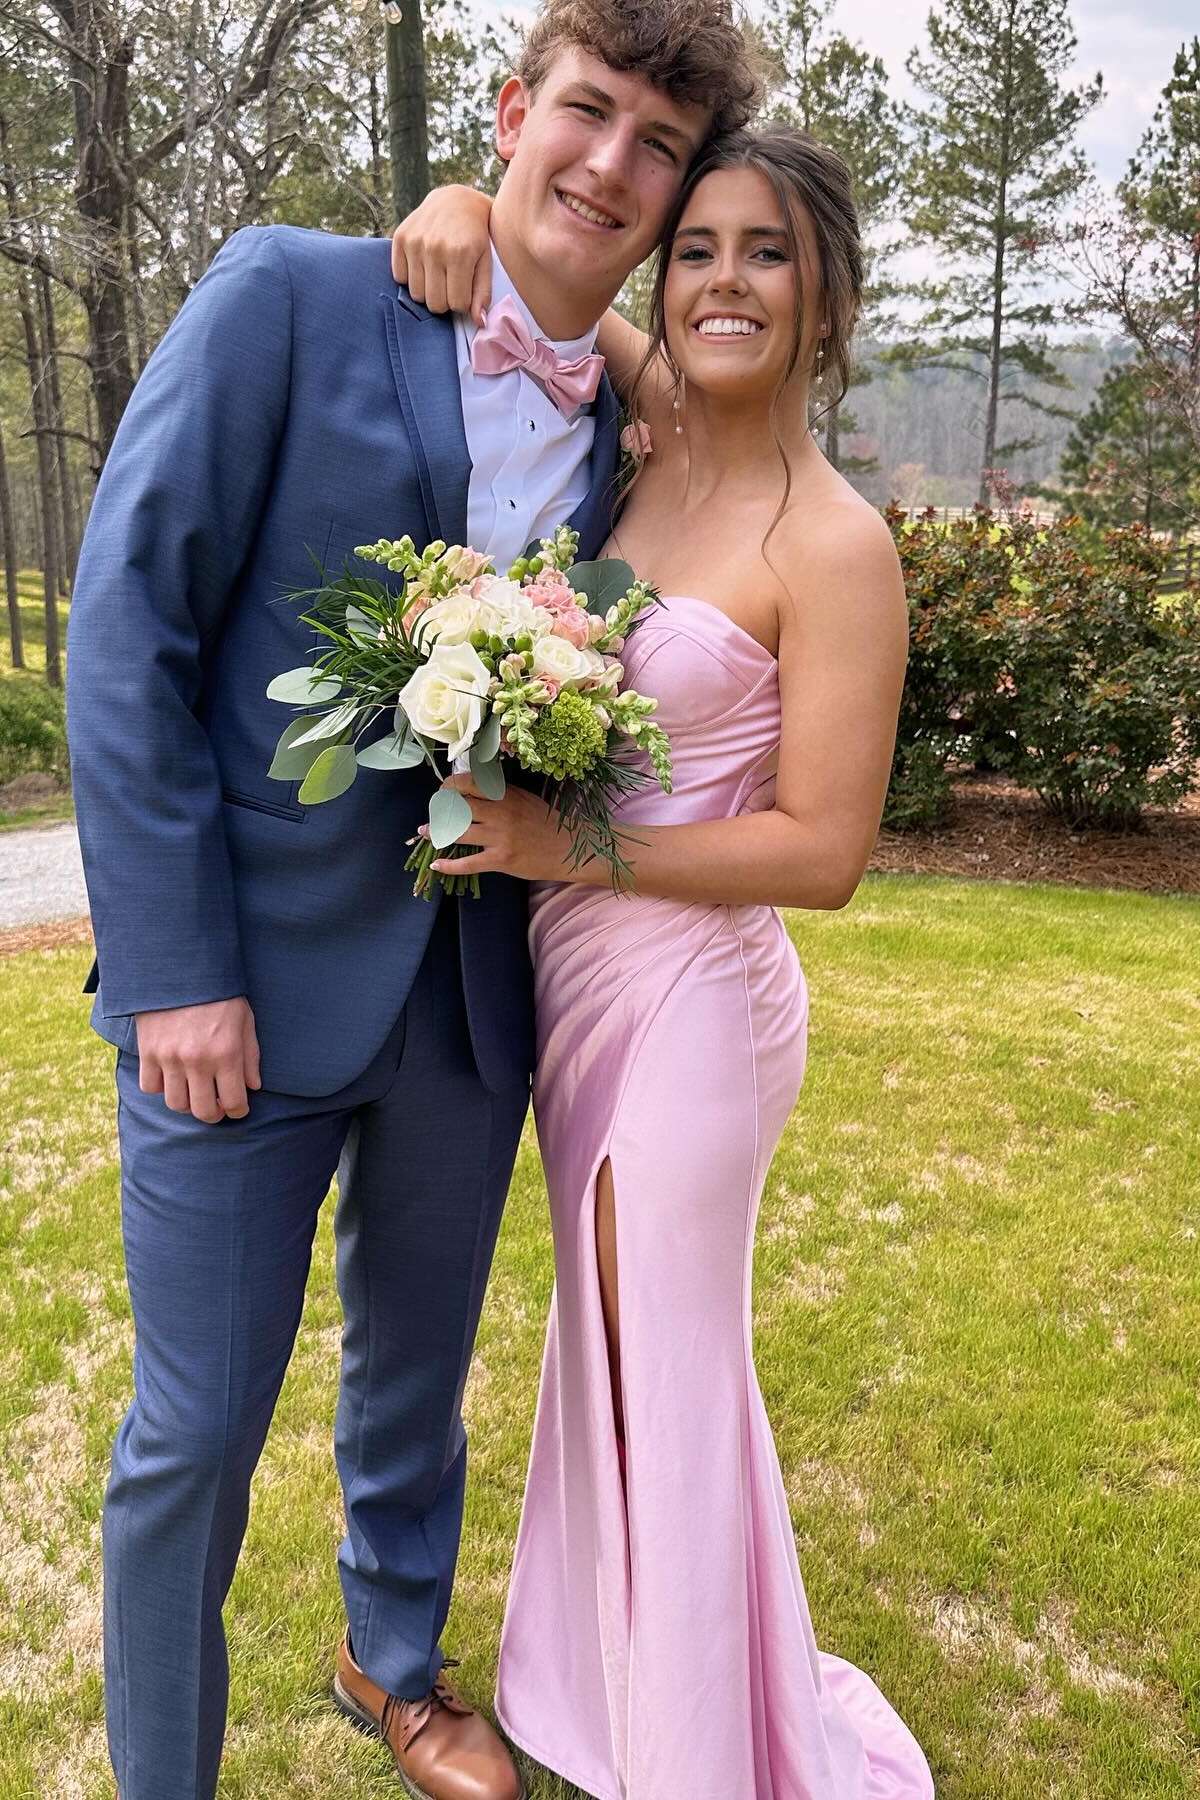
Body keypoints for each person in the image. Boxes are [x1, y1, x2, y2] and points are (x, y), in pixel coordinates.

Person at [63, 4, 762, 1795]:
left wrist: (577, 298)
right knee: (193, 1433)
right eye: (586, 113)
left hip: (472, 993)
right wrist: (171, 971)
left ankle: (393, 1665)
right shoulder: (289, 295)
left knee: (416, 1382)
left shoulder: (635, 420)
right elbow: (131, 630)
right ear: (513, 111)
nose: (610, 164)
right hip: (239, 995)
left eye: (659, 146)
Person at [390, 126, 936, 1798]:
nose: (722, 282)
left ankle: (703, 1750)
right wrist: (465, 201)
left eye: (767, 252)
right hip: (579, 986)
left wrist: (557, 849)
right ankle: (618, 1694)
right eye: (696, 248)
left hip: (697, 1005)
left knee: (666, 1375)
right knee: (616, 1354)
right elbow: (543, 276)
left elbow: (823, 853)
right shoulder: (657, 431)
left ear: (826, 294)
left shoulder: (832, 545)